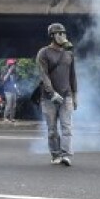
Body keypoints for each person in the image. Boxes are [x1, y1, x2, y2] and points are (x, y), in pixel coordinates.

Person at [36, 23, 77, 166]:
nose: (62, 36)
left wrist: (75, 96)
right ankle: (55, 154)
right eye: (59, 34)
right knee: (52, 129)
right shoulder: (44, 52)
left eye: (64, 33)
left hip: (67, 96)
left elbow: (73, 77)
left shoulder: (69, 54)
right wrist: (52, 93)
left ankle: (66, 155)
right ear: (52, 36)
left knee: (67, 127)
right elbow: (44, 75)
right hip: (49, 98)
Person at [0, 58, 19, 123]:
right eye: (12, 64)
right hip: (7, 90)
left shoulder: (14, 72)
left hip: (13, 90)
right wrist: (9, 71)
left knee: (14, 105)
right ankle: (5, 118)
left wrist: (17, 90)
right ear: (9, 65)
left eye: (13, 64)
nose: (13, 66)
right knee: (9, 104)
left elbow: (15, 82)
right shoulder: (4, 71)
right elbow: (4, 79)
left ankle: (12, 118)